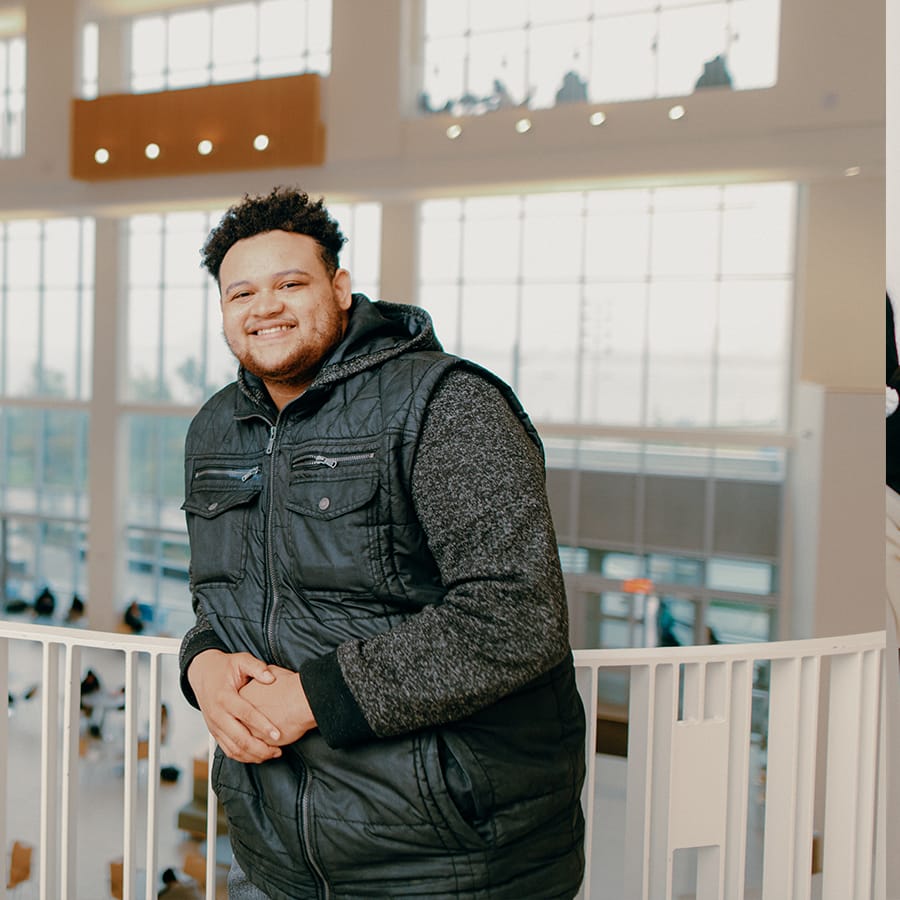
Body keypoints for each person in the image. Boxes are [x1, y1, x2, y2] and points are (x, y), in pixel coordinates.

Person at [178, 187, 586, 899]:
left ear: (340, 288)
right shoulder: (216, 428)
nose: (264, 305)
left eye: (290, 283)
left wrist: (318, 696)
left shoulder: (445, 402)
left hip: (449, 864)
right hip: (271, 856)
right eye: (241, 291)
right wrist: (201, 665)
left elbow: (518, 616)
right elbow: (224, 600)